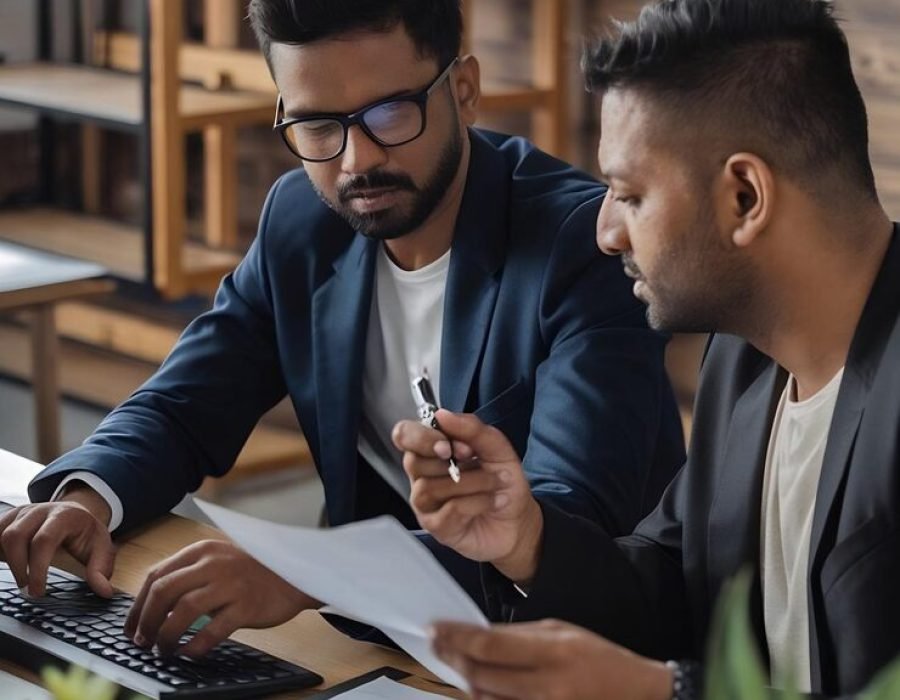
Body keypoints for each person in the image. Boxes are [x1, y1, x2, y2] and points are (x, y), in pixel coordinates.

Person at [0, 0, 684, 660]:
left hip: (572, 652)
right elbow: (186, 404)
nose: (356, 160)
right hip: (373, 641)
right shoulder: (302, 218)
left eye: (389, 113)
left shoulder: (581, 247)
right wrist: (88, 500)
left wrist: (309, 573)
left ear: (465, 91)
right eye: (318, 125)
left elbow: (570, 517)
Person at [393, 0, 900, 697]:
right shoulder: (744, 360)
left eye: (628, 194)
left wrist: (665, 693)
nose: (606, 232)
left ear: (745, 197)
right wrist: (525, 540)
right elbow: (673, 588)